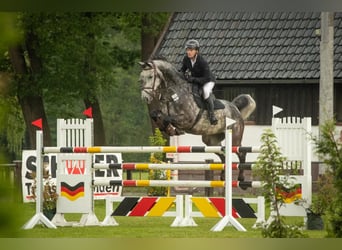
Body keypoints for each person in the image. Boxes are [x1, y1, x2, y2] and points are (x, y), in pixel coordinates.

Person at [180, 39, 218, 125]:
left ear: (196, 51)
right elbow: (182, 70)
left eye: (191, 50)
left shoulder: (202, 62)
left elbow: (206, 78)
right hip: (196, 79)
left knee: (205, 91)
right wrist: (182, 76)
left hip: (208, 81)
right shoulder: (186, 59)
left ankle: (212, 116)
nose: (188, 52)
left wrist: (193, 79)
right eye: (187, 50)